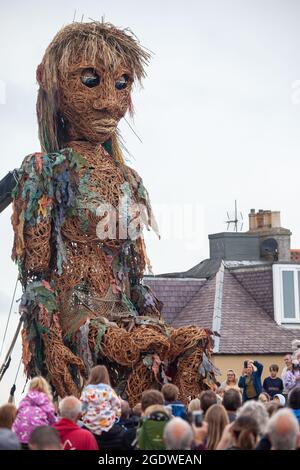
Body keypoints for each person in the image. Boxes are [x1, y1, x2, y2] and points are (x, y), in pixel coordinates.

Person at [80, 366, 121, 444]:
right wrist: (116, 416)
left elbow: (82, 408)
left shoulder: (87, 391)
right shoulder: (109, 390)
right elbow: (117, 406)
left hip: (90, 425)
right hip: (107, 425)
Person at [12, 376, 56, 447]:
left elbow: (17, 414)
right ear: (45, 388)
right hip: (37, 439)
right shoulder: (46, 401)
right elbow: (52, 421)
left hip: (17, 436)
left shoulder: (25, 399)